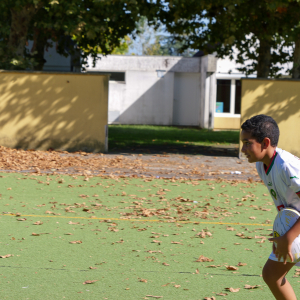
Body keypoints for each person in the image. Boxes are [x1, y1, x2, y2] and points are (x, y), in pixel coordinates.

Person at [241, 114, 300, 300]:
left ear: (265, 143)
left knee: (272, 274)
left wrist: (288, 237)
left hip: (294, 232)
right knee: (272, 274)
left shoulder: (286, 166)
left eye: (247, 143)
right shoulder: (262, 165)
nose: (243, 149)